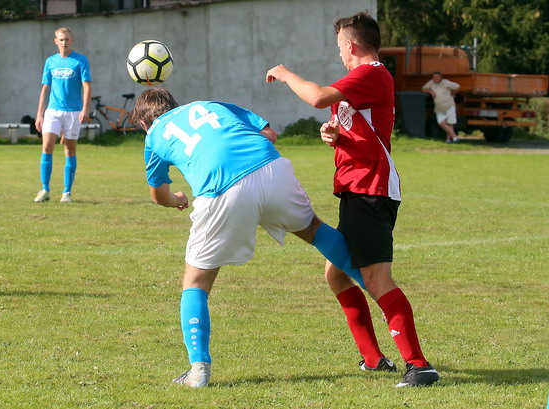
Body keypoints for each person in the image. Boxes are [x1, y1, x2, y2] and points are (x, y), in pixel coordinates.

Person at [130, 88, 366, 388]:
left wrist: (177, 199)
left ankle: (198, 371)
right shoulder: (208, 103)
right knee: (315, 230)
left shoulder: (154, 136)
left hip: (222, 189)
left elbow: (158, 194)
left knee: (196, 281)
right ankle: (376, 288)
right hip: (270, 168)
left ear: (144, 123)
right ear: (175, 105)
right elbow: (270, 134)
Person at [265, 11, 439, 387]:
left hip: (370, 188)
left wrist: (285, 73)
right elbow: (357, 126)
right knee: (337, 274)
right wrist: (334, 135)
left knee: (376, 278)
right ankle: (374, 360)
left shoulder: (372, 72)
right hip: (356, 188)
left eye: (340, 47)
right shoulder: (358, 81)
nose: (339, 54)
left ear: (352, 45)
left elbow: (316, 97)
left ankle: (419, 365)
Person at [34, 27, 91, 203]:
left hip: (73, 111)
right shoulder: (50, 61)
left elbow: (87, 85)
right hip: (53, 111)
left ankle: (67, 193)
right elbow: (45, 88)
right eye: (61, 39)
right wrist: (39, 114)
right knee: (47, 146)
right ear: (56, 41)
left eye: (67, 39)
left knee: (70, 149)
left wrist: (85, 108)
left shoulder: (81, 60)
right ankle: (45, 189)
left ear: (71, 40)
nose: (64, 42)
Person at [422, 71, 460, 143]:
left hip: (449, 105)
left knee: (450, 123)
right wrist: (430, 91)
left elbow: (457, 86)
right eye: (434, 77)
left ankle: (449, 139)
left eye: (437, 77)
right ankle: (454, 137)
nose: (435, 79)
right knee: (441, 123)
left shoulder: (446, 82)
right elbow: (424, 88)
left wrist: (453, 93)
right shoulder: (431, 83)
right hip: (439, 107)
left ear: (440, 77)